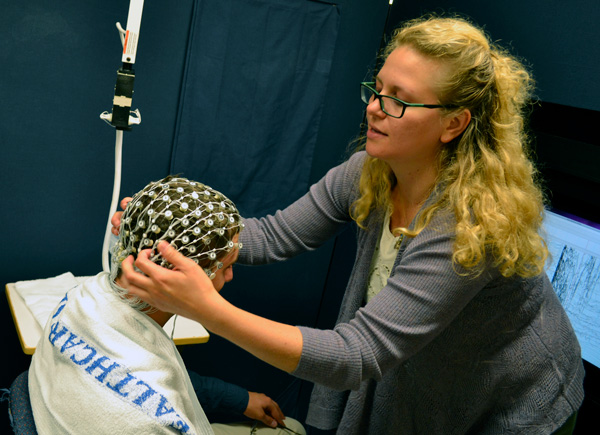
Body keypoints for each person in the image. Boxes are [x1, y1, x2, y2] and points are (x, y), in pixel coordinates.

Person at [114, 15, 584, 434]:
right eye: (377, 89)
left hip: (511, 398)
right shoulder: (369, 172)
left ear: (453, 124)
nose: (375, 107)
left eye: (399, 101)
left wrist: (207, 310)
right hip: (422, 369)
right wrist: (172, 226)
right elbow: (276, 235)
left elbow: (355, 355)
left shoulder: (466, 227)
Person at [29, 176, 306, 435]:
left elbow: (138, 383)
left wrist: (237, 399)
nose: (231, 276)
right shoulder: (153, 423)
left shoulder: (80, 296)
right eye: (227, 266)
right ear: (181, 275)